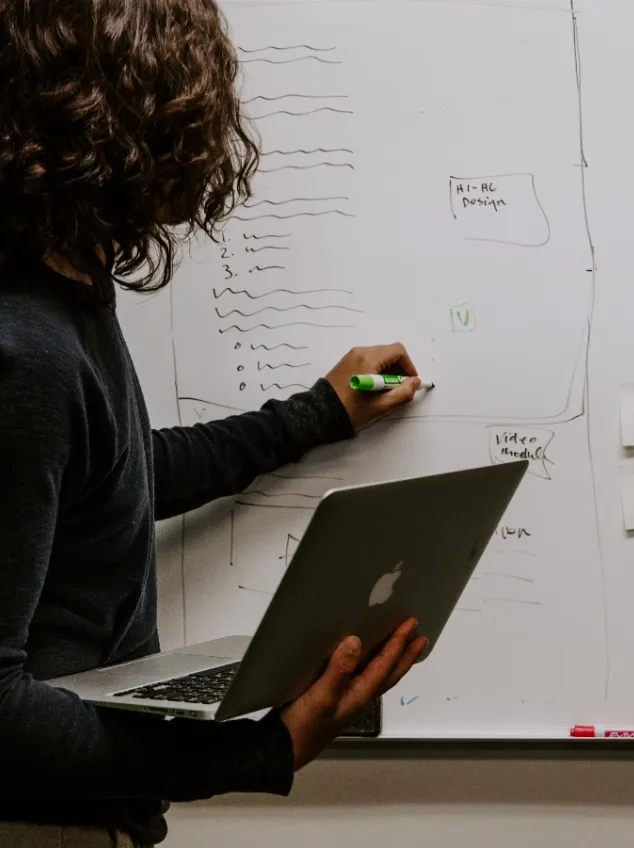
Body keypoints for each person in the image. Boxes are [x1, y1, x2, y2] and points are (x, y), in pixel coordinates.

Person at [0, 1, 428, 846]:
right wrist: (259, 751)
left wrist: (317, 414)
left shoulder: (65, 293)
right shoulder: (25, 345)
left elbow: (114, 481)